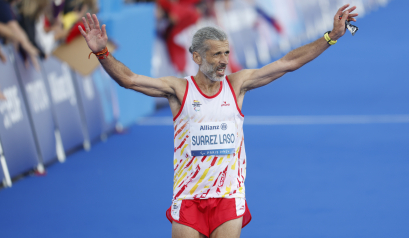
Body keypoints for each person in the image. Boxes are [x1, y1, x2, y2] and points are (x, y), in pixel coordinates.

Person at [78, 4, 358, 238]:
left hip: (227, 196)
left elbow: (287, 63)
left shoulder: (237, 85)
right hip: (188, 197)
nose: (224, 61)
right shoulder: (178, 90)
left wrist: (330, 37)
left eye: (226, 53)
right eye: (216, 55)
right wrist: (102, 53)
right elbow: (129, 80)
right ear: (197, 57)